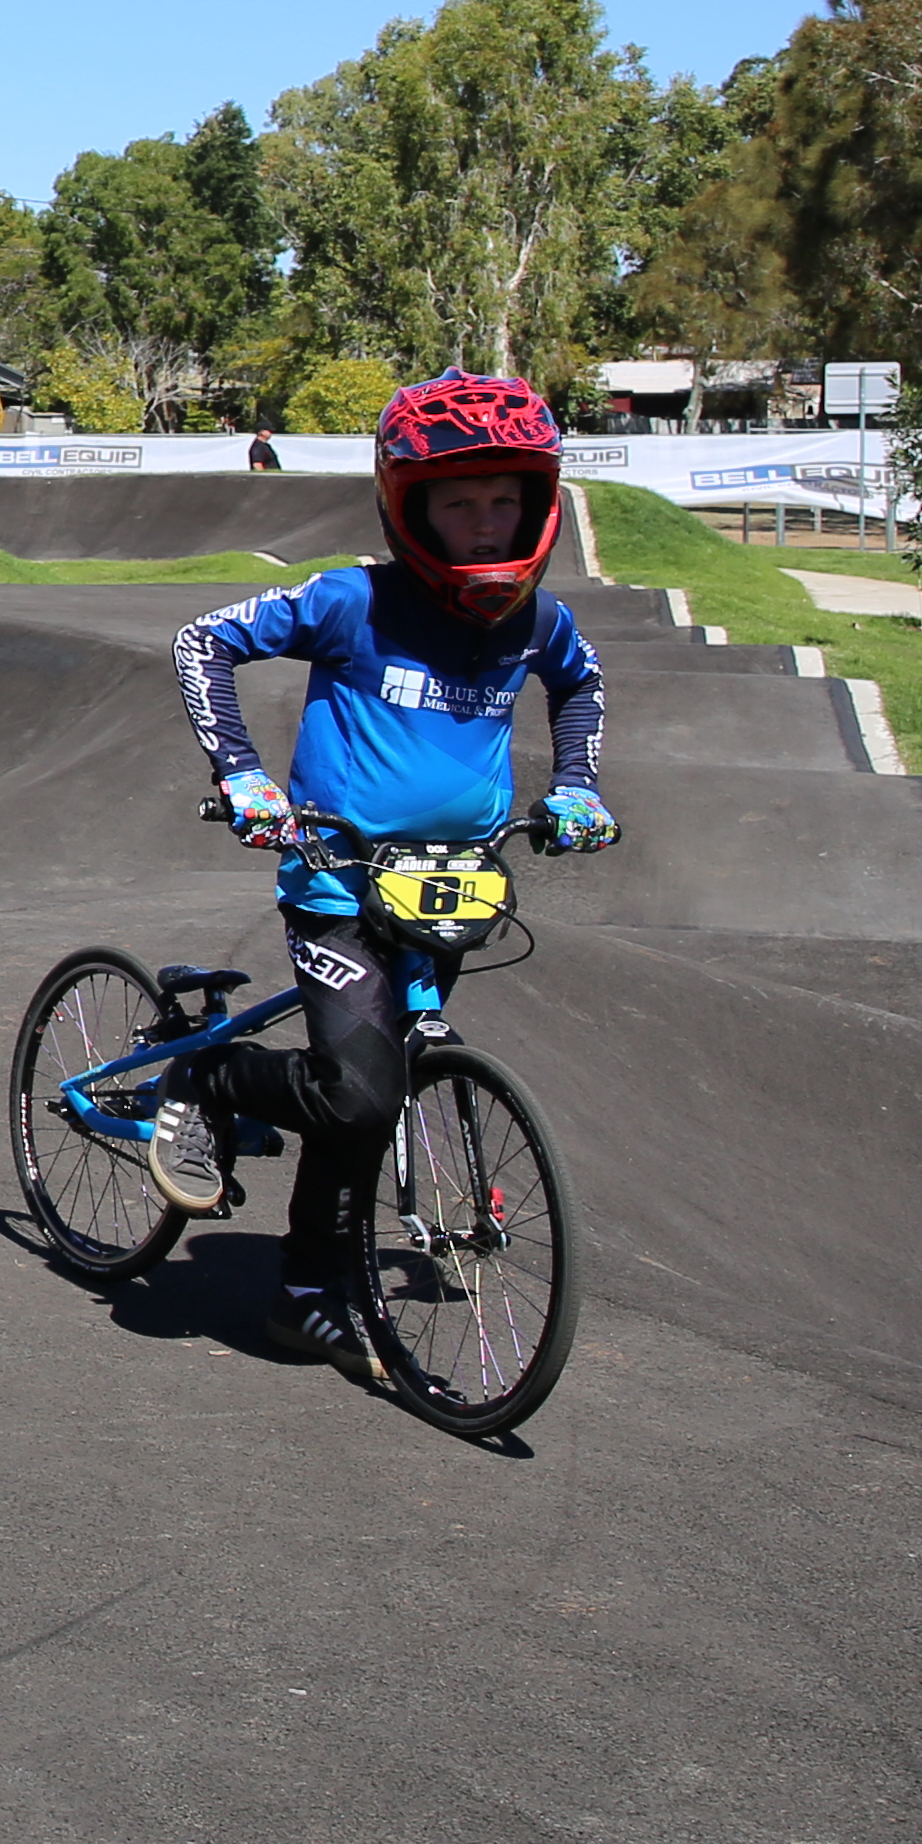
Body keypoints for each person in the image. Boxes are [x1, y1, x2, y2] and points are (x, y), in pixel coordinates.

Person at [166, 376, 614, 1354]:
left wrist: (575, 783)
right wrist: (243, 775)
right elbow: (202, 642)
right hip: (337, 883)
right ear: (411, 506)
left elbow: (580, 685)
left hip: (453, 886)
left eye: (506, 501)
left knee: (366, 1091)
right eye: (459, 503)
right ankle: (215, 1078)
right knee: (360, 1091)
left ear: (538, 505)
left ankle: (305, 1284)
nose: (486, 524)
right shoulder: (351, 601)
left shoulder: (536, 621)